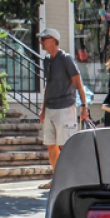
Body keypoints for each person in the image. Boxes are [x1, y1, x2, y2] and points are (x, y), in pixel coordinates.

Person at [38, 28, 89, 188]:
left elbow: (78, 83)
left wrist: (84, 106)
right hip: (51, 108)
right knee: (51, 145)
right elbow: (49, 85)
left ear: (53, 39)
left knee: (65, 146)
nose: (41, 42)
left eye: (43, 39)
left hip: (65, 107)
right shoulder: (47, 60)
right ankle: (57, 179)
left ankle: (72, 179)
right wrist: (43, 109)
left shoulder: (66, 59)